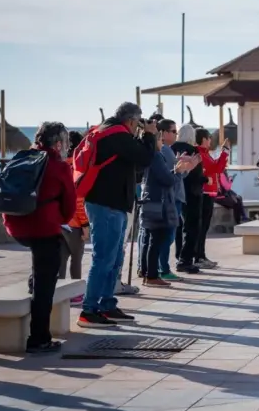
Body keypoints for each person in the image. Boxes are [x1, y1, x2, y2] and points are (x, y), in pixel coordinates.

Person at [80, 102, 156, 328]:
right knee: (104, 259)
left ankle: (107, 304)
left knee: (114, 259)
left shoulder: (110, 132)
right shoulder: (116, 135)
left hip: (113, 205)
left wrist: (143, 138)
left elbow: (136, 165)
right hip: (106, 205)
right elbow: (145, 158)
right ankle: (88, 310)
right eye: (138, 123)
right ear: (131, 121)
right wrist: (150, 136)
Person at [2, 122, 76, 353]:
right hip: (43, 228)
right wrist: (57, 219)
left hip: (16, 225)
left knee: (42, 264)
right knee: (46, 282)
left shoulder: (22, 158)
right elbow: (69, 208)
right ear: (59, 143)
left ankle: (34, 280)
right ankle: (39, 338)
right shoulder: (58, 166)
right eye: (66, 143)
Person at [140, 125, 196, 287]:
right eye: (159, 139)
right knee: (156, 240)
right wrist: (178, 171)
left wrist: (177, 170)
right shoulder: (156, 157)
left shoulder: (152, 156)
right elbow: (167, 180)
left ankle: (149, 273)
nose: (161, 142)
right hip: (158, 203)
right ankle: (151, 275)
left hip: (153, 201)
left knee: (152, 240)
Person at [156, 119, 196, 281]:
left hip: (174, 196)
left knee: (169, 235)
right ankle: (162, 268)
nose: (176, 134)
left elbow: (176, 174)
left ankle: (160, 268)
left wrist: (185, 169)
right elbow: (170, 176)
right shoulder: (165, 150)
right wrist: (184, 169)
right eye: (173, 131)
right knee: (168, 235)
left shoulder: (168, 150)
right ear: (164, 134)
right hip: (172, 198)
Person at [194, 128, 229, 269]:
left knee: (204, 227)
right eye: (208, 137)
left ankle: (201, 255)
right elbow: (216, 168)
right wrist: (224, 152)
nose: (210, 140)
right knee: (201, 228)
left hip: (210, 193)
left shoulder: (205, 154)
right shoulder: (200, 154)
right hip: (205, 194)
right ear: (203, 139)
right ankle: (198, 256)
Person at [60, 131, 88, 305]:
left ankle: (60, 292)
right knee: (76, 258)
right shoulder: (77, 168)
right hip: (75, 222)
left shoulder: (61, 165)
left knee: (61, 259)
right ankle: (76, 293)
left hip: (61, 221)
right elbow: (78, 200)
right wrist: (85, 223)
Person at [173, 124, 204, 274]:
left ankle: (178, 255)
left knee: (178, 227)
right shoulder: (193, 151)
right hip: (191, 194)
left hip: (176, 192)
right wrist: (205, 179)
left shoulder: (172, 149)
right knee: (191, 228)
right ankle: (186, 260)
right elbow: (196, 176)